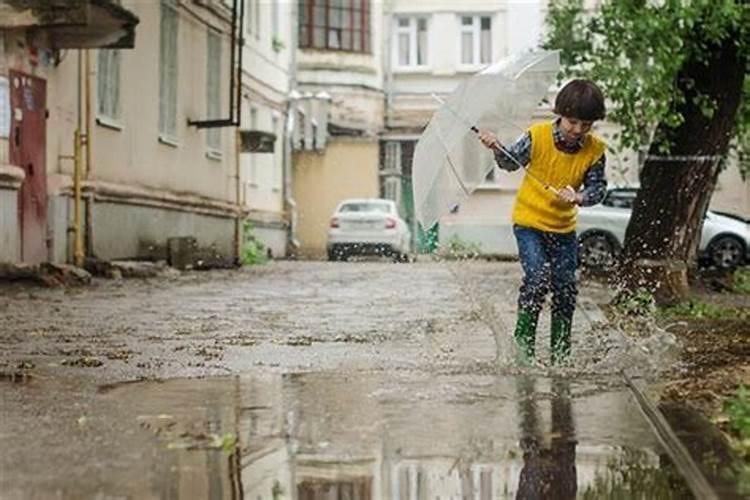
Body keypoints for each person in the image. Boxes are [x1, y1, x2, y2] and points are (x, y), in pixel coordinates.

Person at [478, 79, 607, 364]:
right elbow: (510, 162)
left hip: (563, 228)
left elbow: (599, 189)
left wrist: (580, 196)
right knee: (537, 280)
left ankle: (560, 356)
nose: (578, 130)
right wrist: (496, 146)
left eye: (586, 125)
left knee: (565, 287)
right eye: (573, 122)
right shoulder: (537, 136)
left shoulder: (595, 150)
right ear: (559, 114)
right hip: (529, 223)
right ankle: (523, 354)